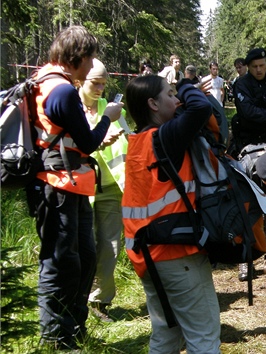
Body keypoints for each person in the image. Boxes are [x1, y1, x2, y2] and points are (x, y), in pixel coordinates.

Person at [28, 25, 123, 350]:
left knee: (81, 256)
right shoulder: (63, 91)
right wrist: (108, 117)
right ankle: (56, 337)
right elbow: (88, 140)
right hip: (58, 188)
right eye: (91, 56)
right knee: (59, 261)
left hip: (71, 185)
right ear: (80, 57)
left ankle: (73, 327)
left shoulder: (44, 80)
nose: (92, 62)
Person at [122, 75, 220, 353]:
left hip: (147, 256)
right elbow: (201, 109)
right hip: (177, 256)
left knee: (166, 335)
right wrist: (188, 84)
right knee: (203, 337)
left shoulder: (138, 140)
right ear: (152, 103)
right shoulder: (166, 137)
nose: (177, 100)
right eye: (170, 94)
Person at [78, 58, 128, 323]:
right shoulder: (71, 107)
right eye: (94, 83)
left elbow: (127, 146)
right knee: (83, 247)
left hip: (111, 189)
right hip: (79, 189)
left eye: (103, 84)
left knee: (109, 247)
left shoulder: (109, 109)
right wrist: (99, 139)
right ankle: (77, 299)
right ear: (80, 80)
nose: (99, 88)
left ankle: (99, 301)